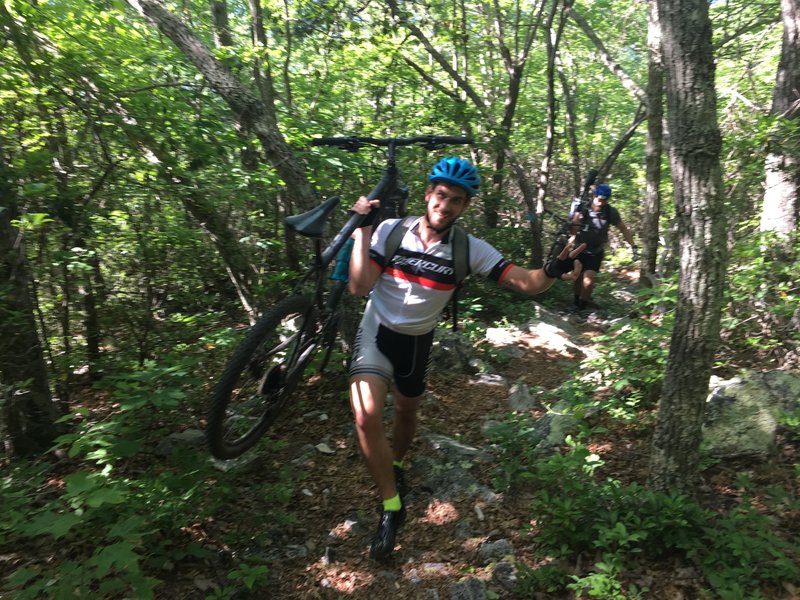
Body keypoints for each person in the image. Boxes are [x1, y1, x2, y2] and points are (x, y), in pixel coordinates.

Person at [346, 156, 585, 560]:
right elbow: (359, 286)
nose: (445, 205)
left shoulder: (468, 249)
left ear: (465, 207)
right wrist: (361, 232)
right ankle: (391, 506)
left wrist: (553, 266)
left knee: (406, 414)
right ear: (428, 195)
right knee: (366, 416)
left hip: (417, 343)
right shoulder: (389, 231)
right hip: (376, 332)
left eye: (456, 200)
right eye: (440, 195)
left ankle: (398, 465)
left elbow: (524, 282)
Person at [569, 183, 638, 311]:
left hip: (596, 251)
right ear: (594, 196)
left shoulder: (610, 212)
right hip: (579, 248)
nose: (601, 203)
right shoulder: (583, 208)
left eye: (604, 200)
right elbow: (573, 231)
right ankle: (575, 301)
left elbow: (623, 228)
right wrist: (576, 221)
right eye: (599, 199)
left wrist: (633, 245)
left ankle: (581, 308)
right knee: (577, 278)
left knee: (588, 281)